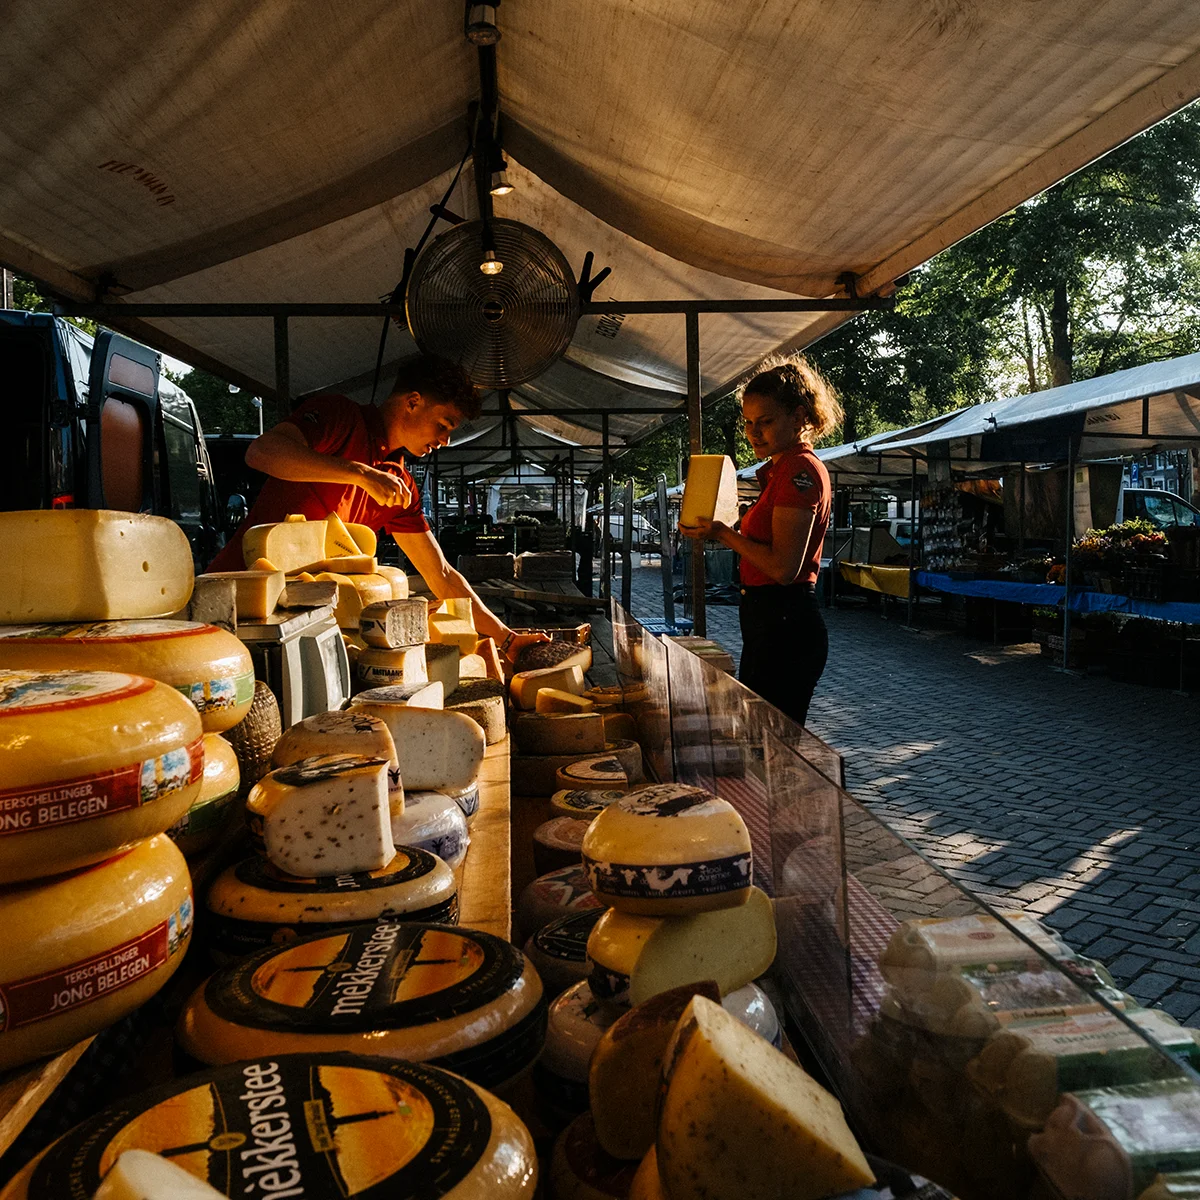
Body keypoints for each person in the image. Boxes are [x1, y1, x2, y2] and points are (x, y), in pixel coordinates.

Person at [208, 354, 547, 663]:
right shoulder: (339, 416)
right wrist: (359, 473)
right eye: (443, 424)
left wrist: (506, 639)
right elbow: (262, 452)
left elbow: (441, 575)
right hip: (230, 604)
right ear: (413, 402)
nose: (444, 440)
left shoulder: (400, 484)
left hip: (300, 630)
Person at [679, 357, 841, 726]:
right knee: (763, 739)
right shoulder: (779, 469)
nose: (753, 432)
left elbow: (784, 568)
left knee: (771, 743)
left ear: (800, 417)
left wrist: (722, 533)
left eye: (765, 421)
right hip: (771, 620)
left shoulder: (799, 470)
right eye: (748, 422)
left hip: (785, 622)